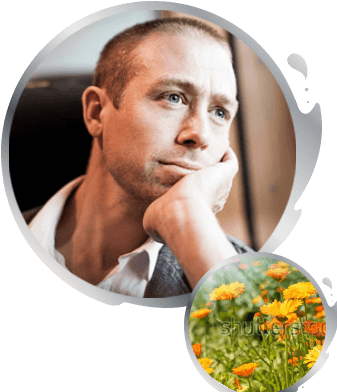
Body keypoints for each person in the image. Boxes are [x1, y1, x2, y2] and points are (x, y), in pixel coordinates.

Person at [24, 18, 252, 298]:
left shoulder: (243, 273)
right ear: (97, 113)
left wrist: (186, 212)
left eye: (219, 112)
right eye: (174, 97)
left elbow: (264, 343)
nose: (200, 135)